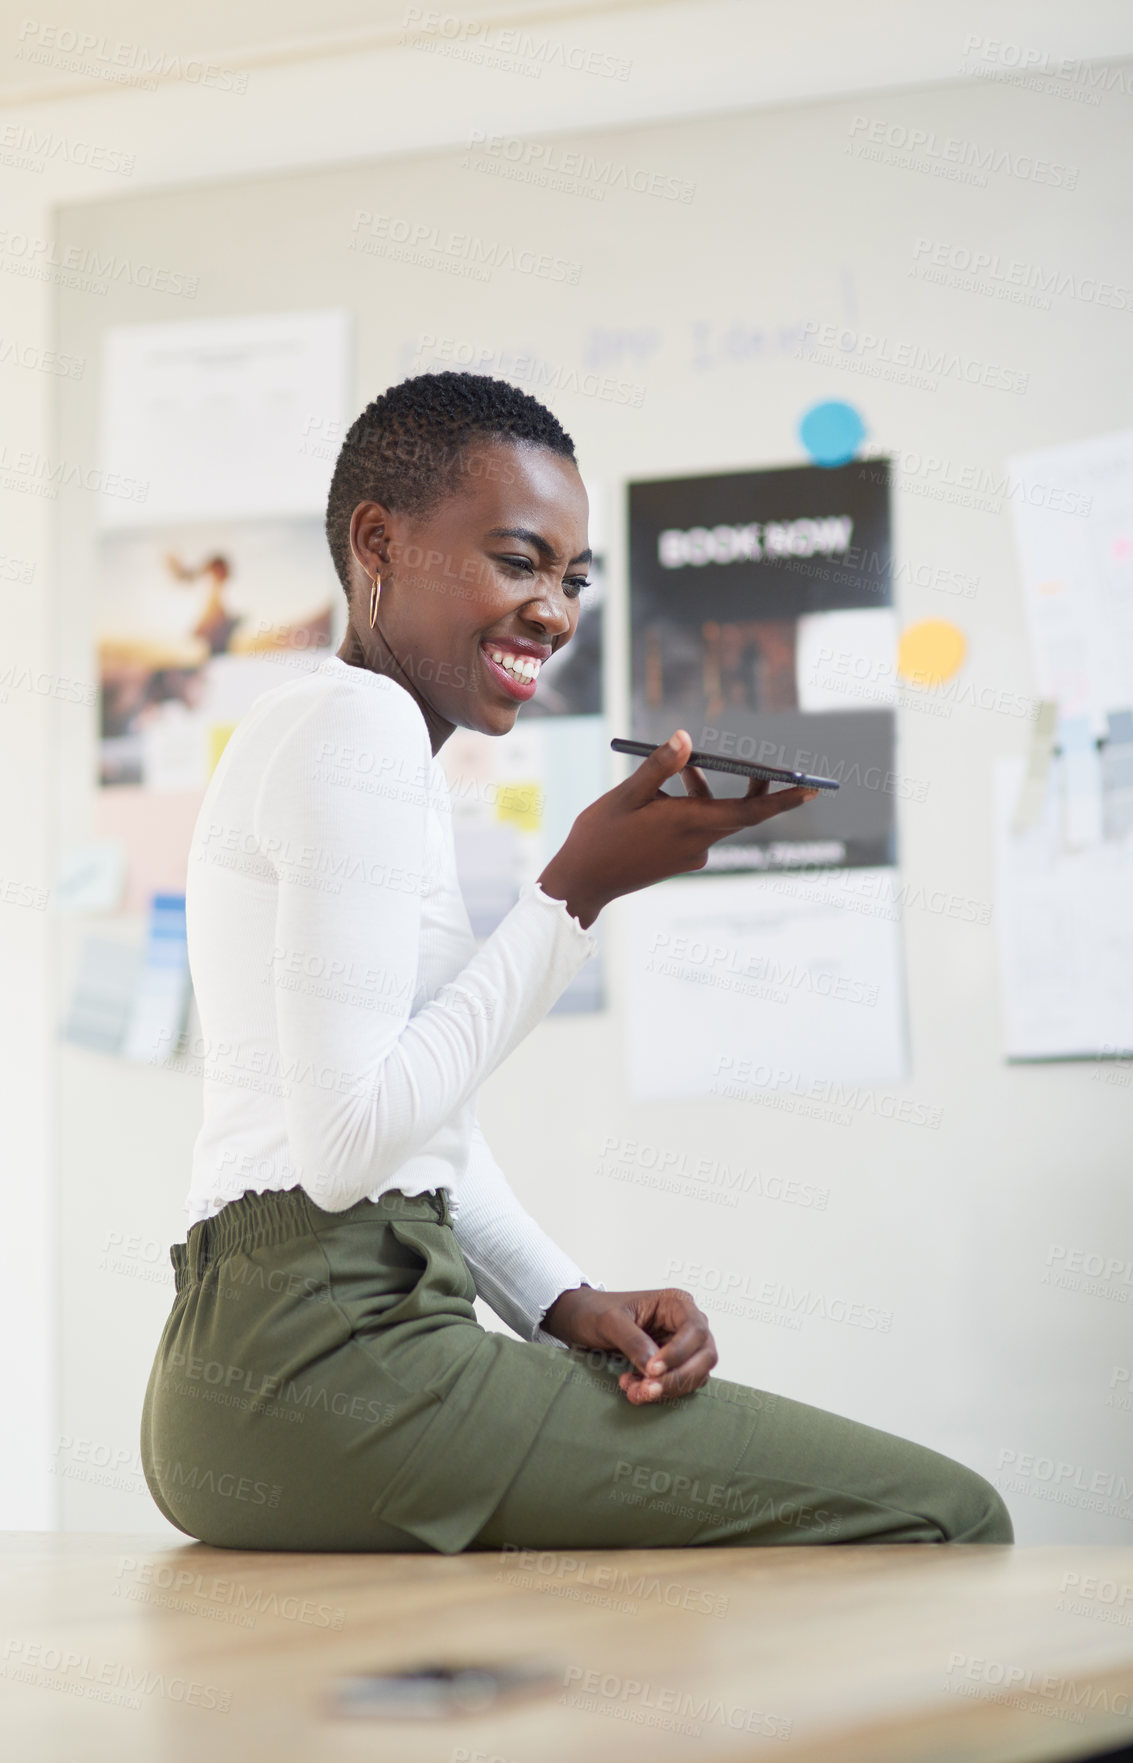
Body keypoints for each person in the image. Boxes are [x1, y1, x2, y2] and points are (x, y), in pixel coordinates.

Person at [139, 372, 1012, 1553]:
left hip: (253, 1365)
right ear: (377, 541)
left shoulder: (334, 733)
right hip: (329, 1352)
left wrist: (562, 1301)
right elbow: (347, 1150)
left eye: (573, 577)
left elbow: (400, 1130)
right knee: (947, 1515)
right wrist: (575, 892)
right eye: (517, 561)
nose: (553, 609)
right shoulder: (359, 730)